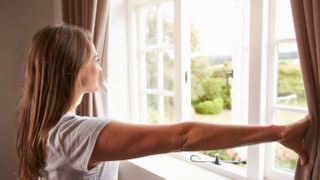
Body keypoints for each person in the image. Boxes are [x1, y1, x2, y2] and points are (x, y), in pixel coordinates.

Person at [16, 24, 310, 180]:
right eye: (95, 59)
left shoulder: (43, 123)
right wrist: (279, 132)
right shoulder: (75, 134)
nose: (100, 67)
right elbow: (182, 137)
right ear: (75, 70)